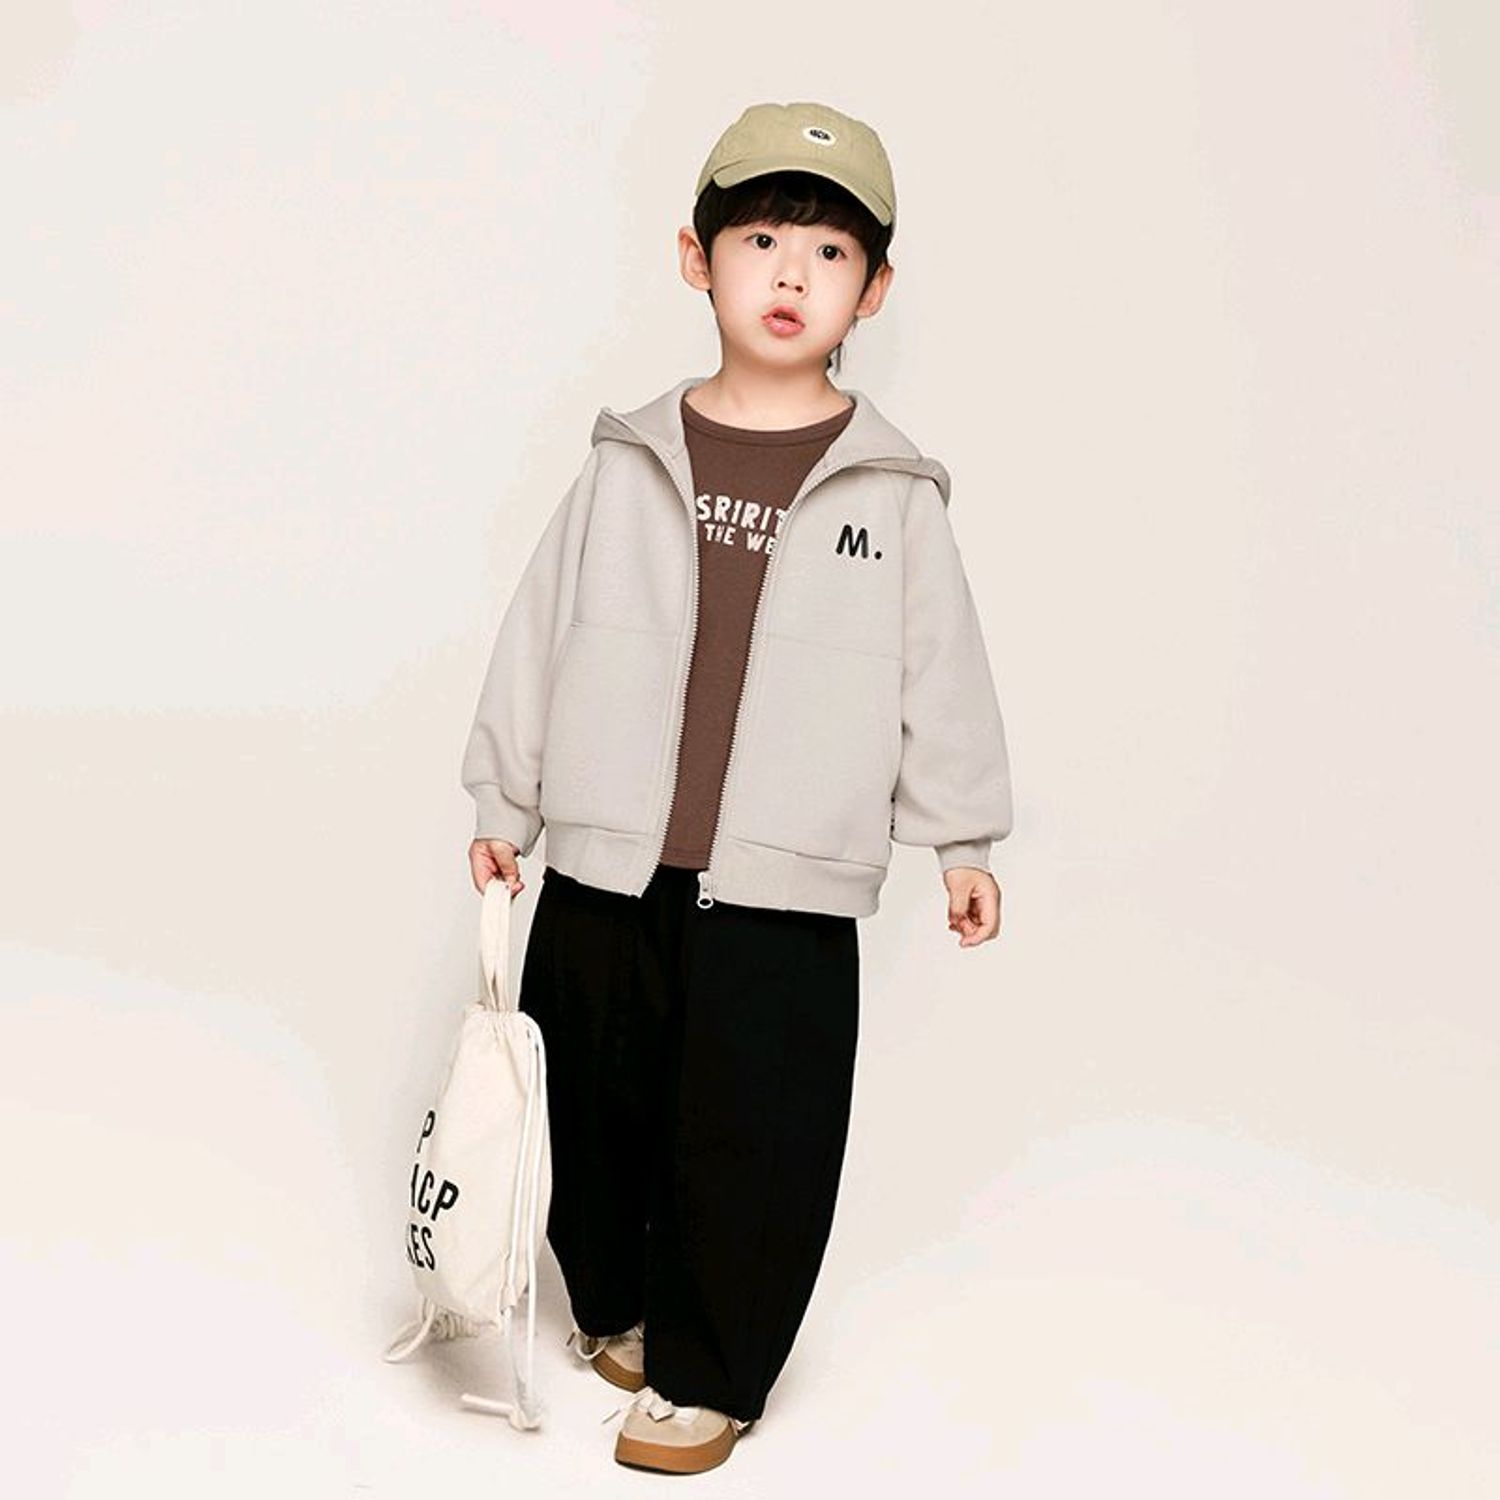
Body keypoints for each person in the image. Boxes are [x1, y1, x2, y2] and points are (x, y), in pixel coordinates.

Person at [459, 100, 1014, 1475]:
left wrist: (962, 836)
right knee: (593, 1107)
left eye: (828, 253)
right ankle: (619, 1299)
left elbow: (941, 667)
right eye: (760, 239)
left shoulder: (893, 491)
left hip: (783, 883)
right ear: (694, 259)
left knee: (753, 1138)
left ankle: (712, 1373)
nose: (789, 273)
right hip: (607, 863)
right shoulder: (626, 461)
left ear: (872, 291)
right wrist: (503, 801)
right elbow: (541, 630)